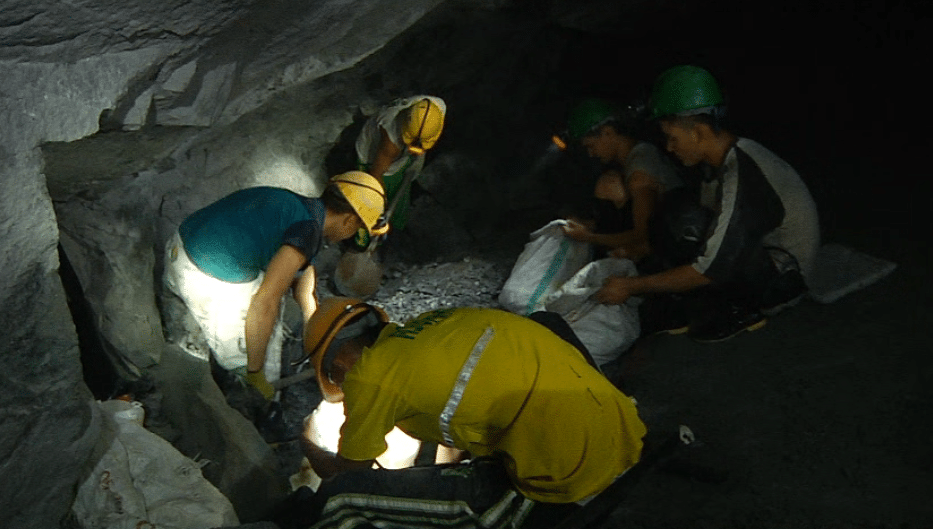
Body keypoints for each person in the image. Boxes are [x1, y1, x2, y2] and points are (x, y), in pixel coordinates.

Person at [283, 297, 647, 528]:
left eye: (335, 377)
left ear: (340, 360)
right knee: (544, 321)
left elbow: (348, 474)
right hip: (623, 428)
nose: (343, 386)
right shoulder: (437, 324)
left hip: (565, 476)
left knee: (342, 499)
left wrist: (308, 446)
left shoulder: (370, 376)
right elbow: (464, 408)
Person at [595, 65, 820, 342]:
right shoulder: (717, 163)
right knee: (674, 207)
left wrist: (632, 286)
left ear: (699, 132)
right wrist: (639, 250)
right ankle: (684, 305)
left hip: (781, 281)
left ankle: (742, 310)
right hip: (759, 256)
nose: (669, 147)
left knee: (684, 222)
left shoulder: (744, 170)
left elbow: (712, 265)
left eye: (672, 138)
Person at [162, 172, 387, 399]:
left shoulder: (298, 206)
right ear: (349, 220)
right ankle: (249, 400)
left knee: (272, 306)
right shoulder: (307, 231)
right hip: (204, 275)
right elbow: (264, 303)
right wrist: (256, 370)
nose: (351, 235)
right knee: (262, 344)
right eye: (357, 228)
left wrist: (314, 325)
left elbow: (303, 272)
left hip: (180, 244)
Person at [561, 98, 683, 262]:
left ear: (608, 132)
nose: (591, 153)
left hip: (673, 250)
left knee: (607, 184)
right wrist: (588, 226)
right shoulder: (633, 157)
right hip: (664, 238)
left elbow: (643, 237)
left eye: (591, 146)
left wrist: (589, 237)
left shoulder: (639, 170)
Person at [351, 95, 446, 249]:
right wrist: (380, 210)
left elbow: (420, 138)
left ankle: (393, 229)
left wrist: (415, 160)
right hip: (375, 159)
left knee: (399, 198)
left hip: (401, 157)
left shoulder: (435, 109)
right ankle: (361, 242)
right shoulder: (391, 141)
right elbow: (375, 176)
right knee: (365, 200)